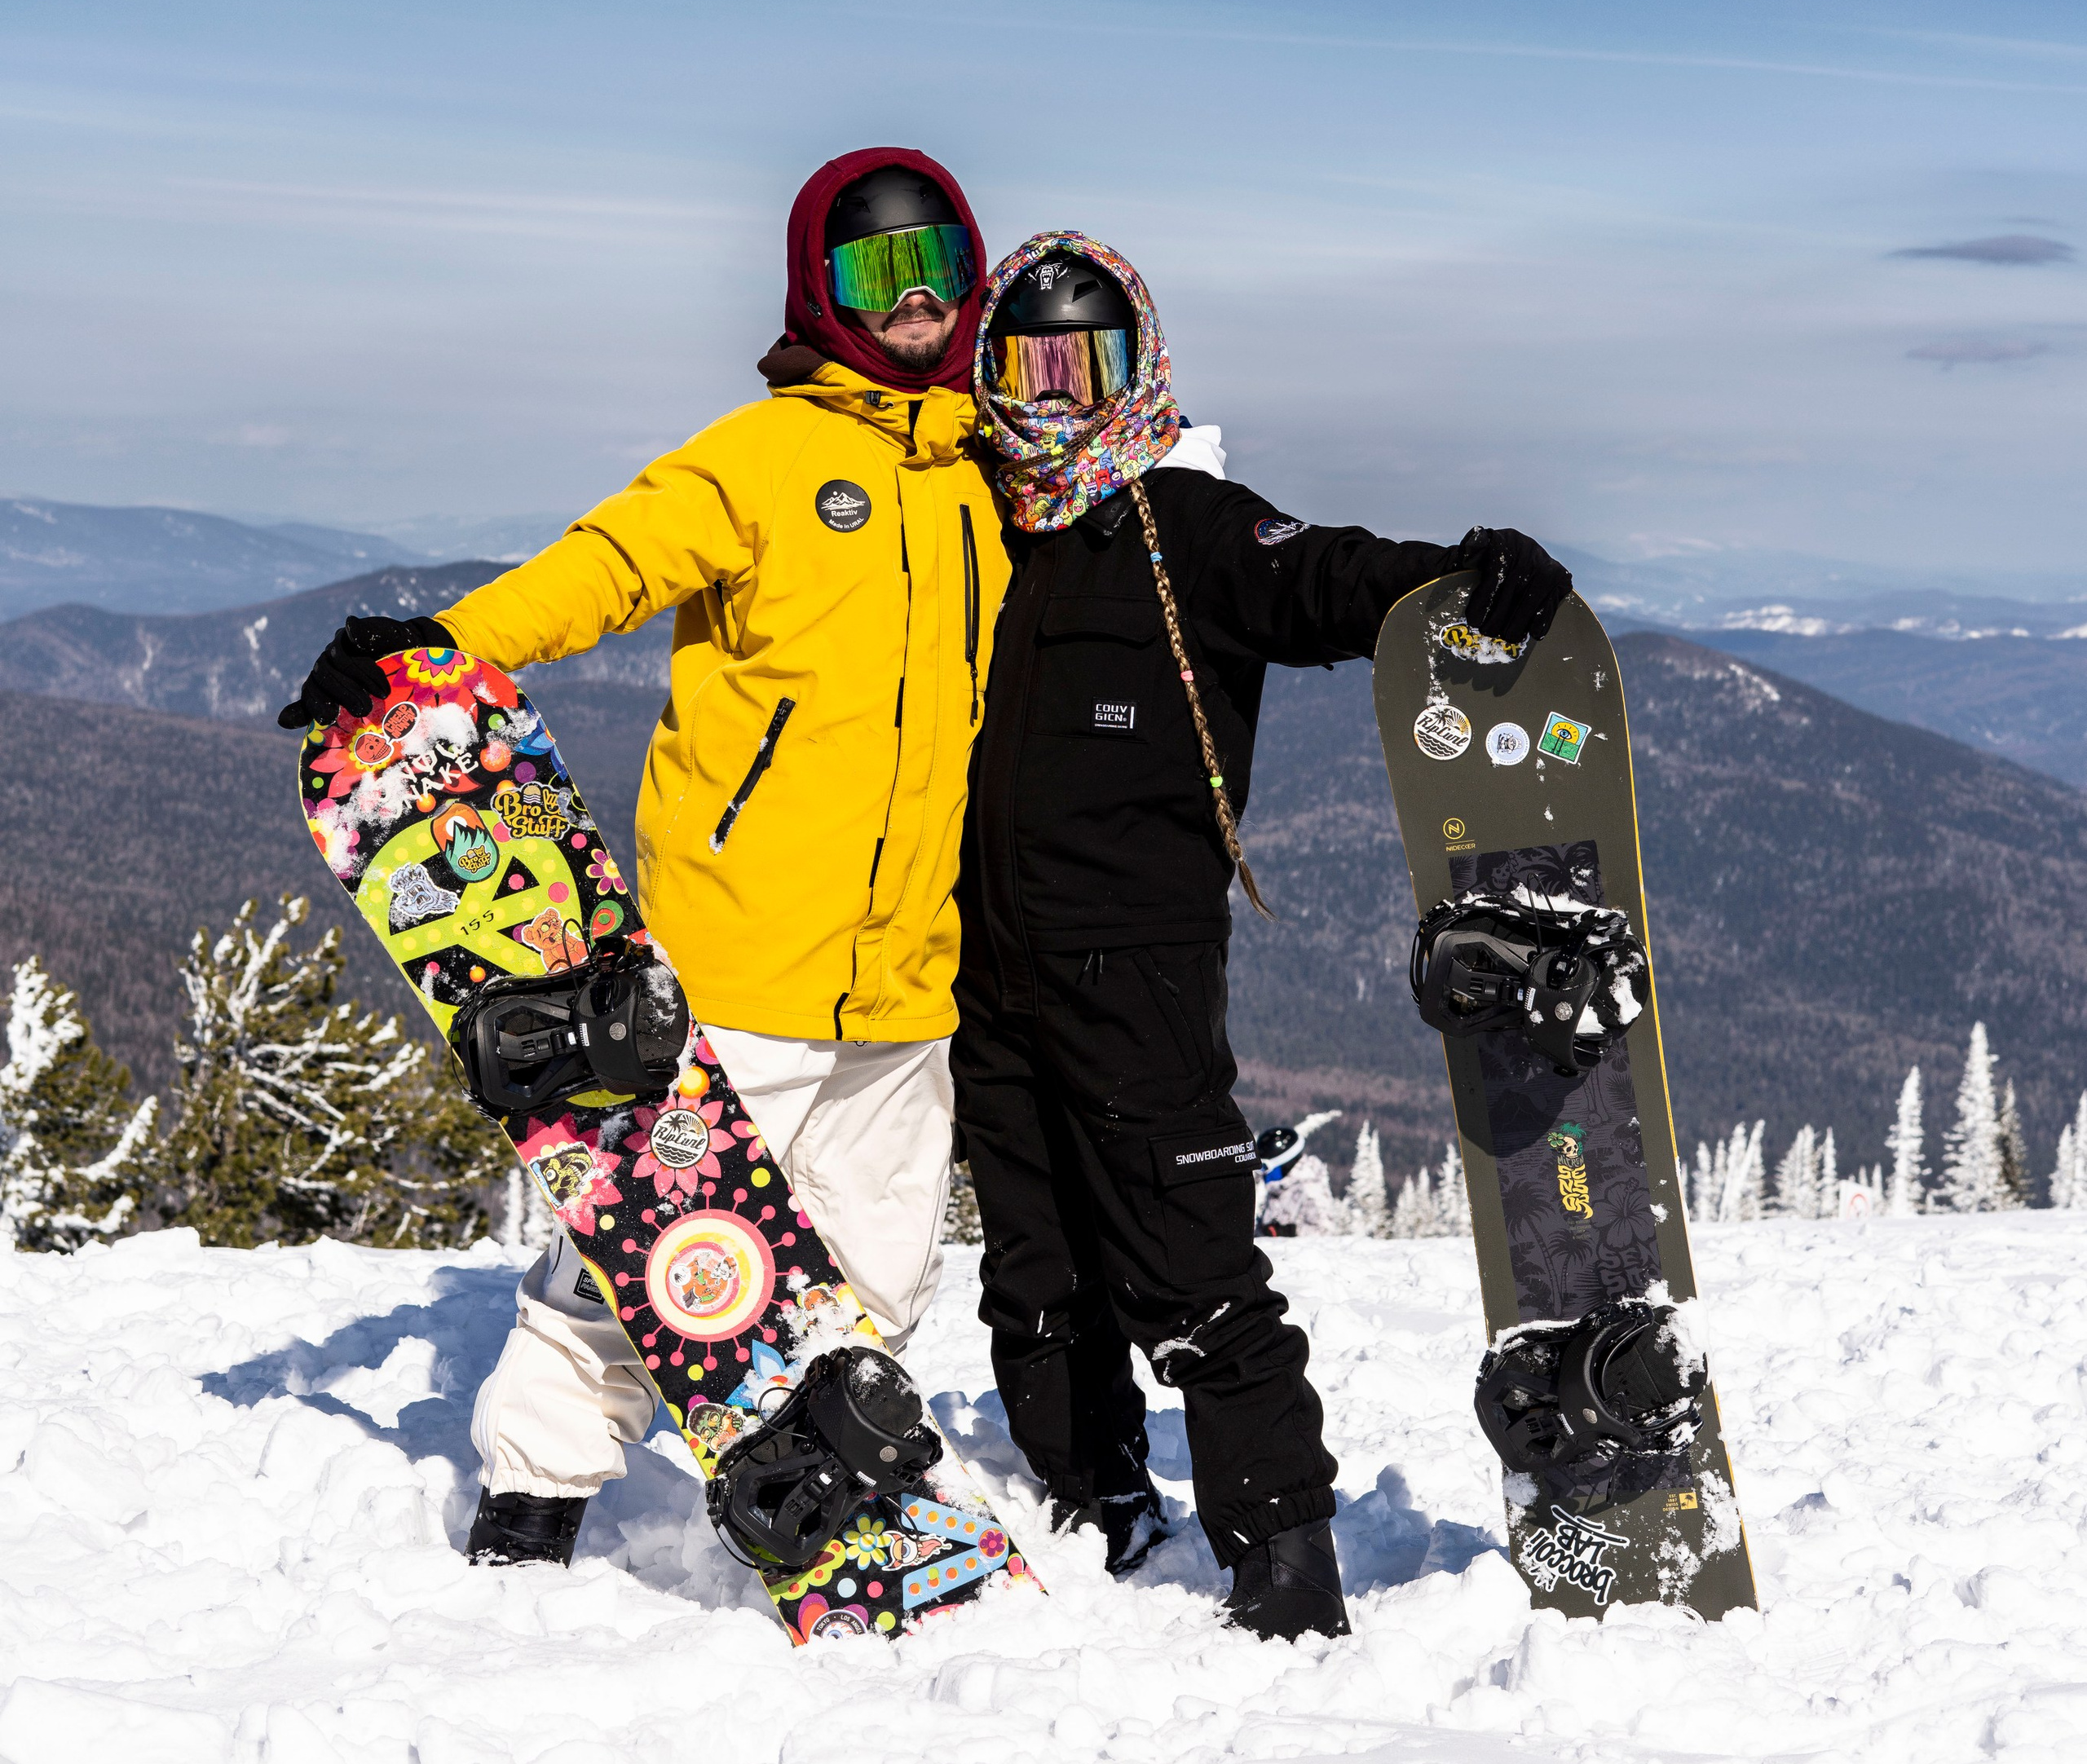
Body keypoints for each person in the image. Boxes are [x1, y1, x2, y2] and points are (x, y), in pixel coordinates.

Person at [276, 148, 1011, 1566]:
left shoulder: (987, 475)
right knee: (642, 1260)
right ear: (821, 290)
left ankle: (823, 1494)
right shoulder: (762, 456)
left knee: (881, 1270)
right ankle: (533, 1501)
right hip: (744, 951)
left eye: (938, 269)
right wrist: (441, 657)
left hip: (910, 974)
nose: (914, 301)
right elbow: (605, 563)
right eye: (876, 274)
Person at [955, 233, 1570, 1641]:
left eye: (1087, 361)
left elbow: (1324, 579)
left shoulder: (1187, 524)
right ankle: (1088, 1494)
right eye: (1029, 362)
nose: (1057, 395)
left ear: (1139, 365)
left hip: (1138, 969)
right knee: (1035, 1264)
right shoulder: (976, 525)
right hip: (986, 972)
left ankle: (1286, 1556)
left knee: (1189, 1265)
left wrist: (1451, 581)